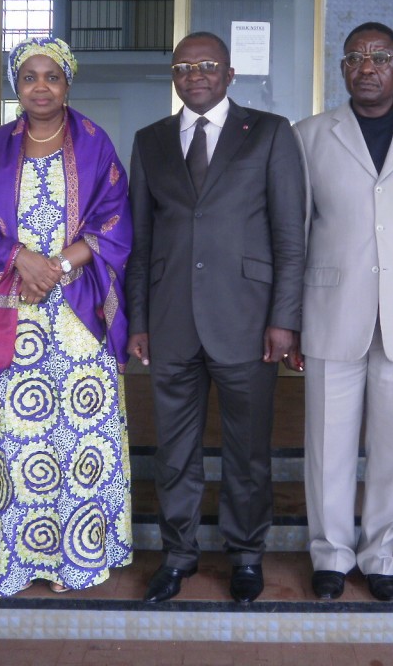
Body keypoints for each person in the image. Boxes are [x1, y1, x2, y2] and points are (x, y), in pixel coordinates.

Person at [0, 36, 133, 597]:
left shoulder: (96, 144)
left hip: (77, 315)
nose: (40, 87)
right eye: (29, 77)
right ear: (15, 86)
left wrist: (55, 266)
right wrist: (20, 260)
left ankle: (81, 556)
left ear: (68, 83)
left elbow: (115, 220)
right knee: (19, 437)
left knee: (83, 436)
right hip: (14, 314)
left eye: (51, 76)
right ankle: (22, 558)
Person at [126, 31, 306, 604]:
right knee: (173, 452)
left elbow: (289, 236)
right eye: (184, 66)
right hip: (171, 318)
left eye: (208, 65)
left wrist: (285, 318)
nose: (195, 74)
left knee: (247, 450)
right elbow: (139, 239)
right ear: (174, 77)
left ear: (230, 74)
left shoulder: (270, 132)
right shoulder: (150, 141)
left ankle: (247, 555)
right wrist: (138, 320)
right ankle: (177, 555)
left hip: (249, 320)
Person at [291, 22, 393, 602]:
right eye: (357, 57)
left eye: (381, 56)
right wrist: (291, 317)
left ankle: (379, 550)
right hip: (331, 310)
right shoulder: (310, 135)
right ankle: (331, 553)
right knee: (327, 445)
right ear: (343, 68)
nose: (368, 66)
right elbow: (299, 233)